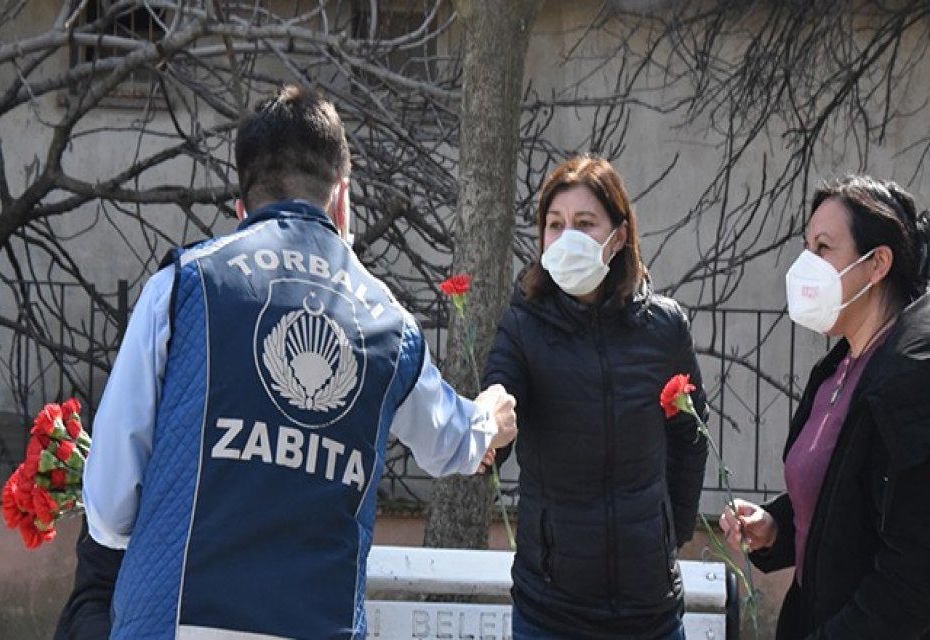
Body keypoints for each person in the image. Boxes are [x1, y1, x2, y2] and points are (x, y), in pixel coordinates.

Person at [57, 84, 517, 640]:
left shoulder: (184, 285)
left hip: (173, 620)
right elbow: (454, 442)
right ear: (343, 199)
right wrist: (491, 414)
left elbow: (108, 509)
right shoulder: (389, 324)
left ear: (241, 206)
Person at [482, 155, 709, 640]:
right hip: (551, 609)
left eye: (585, 224)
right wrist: (485, 432)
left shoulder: (665, 327)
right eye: (555, 225)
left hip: (650, 610)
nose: (567, 239)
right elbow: (499, 404)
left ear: (619, 236)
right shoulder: (523, 325)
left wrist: (670, 534)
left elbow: (690, 435)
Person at [719, 174, 930, 639]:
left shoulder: (912, 381)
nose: (804, 265)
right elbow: (840, 502)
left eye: (823, 248)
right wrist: (776, 527)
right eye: (806, 246)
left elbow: (912, 573)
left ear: (877, 264)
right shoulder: (839, 368)